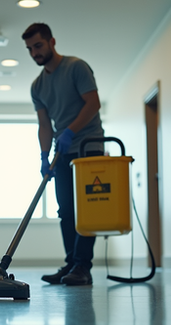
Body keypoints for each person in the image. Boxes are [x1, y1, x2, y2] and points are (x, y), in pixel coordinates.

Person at [22, 23, 104, 286]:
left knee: (87, 210)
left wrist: (69, 130)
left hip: (89, 146)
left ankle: (83, 267)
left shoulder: (76, 67)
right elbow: (44, 125)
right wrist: (44, 156)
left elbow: (93, 103)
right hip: (64, 150)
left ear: (51, 42)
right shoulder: (37, 87)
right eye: (30, 49)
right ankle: (71, 264)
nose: (34, 52)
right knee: (66, 210)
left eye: (38, 46)